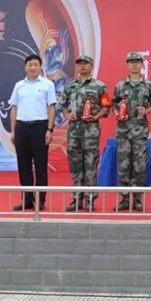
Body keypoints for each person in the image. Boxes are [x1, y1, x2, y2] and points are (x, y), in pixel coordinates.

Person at [58, 55, 110, 212]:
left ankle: (89, 200)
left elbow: (106, 106)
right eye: (80, 64)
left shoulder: (99, 86)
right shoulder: (70, 86)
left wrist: (96, 116)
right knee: (75, 166)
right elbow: (62, 105)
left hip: (91, 132)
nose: (82, 66)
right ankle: (76, 198)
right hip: (74, 132)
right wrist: (67, 115)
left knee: (90, 166)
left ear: (91, 66)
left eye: (85, 63)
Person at [112, 52, 151, 211]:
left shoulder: (148, 85)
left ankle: (138, 198)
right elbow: (113, 104)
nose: (134, 64)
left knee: (139, 166)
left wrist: (146, 111)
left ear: (142, 65)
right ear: (127, 65)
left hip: (140, 131)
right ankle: (125, 199)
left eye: (137, 62)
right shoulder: (120, 85)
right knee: (123, 165)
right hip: (123, 131)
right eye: (131, 62)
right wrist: (117, 114)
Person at [8, 54, 56, 211]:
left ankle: (40, 200)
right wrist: (13, 130)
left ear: (40, 66)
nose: (33, 67)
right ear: (25, 66)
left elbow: (52, 108)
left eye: (36, 64)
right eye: (30, 64)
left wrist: (49, 129)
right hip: (21, 127)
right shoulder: (19, 85)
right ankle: (27, 199)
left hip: (40, 127)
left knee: (41, 166)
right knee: (23, 165)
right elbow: (14, 108)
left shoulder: (48, 84)